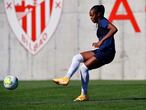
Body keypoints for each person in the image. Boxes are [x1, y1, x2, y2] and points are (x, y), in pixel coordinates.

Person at [53, 5, 118, 101]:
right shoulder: (100, 22)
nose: (91, 18)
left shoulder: (103, 21)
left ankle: (84, 95)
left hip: (107, 52)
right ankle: (66, 79)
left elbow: (114, 29)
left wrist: (101, 41)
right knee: (77, 58)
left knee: (83, 68)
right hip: (102, 50)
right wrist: (100, 43)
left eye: (92, 16)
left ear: (98, 14)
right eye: (90, 16)